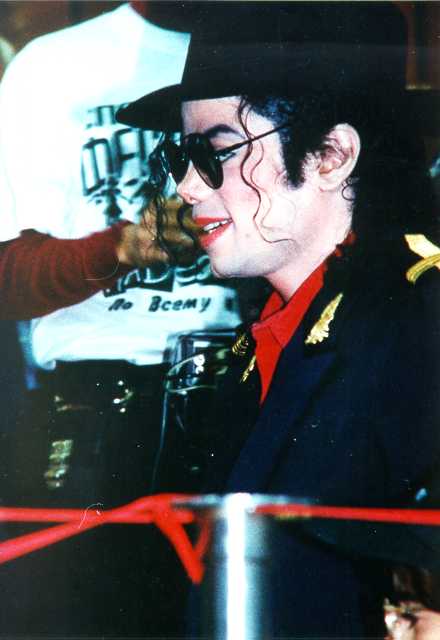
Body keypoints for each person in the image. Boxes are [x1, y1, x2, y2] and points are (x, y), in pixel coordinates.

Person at [117, 2, 440, 637]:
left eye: (215, 152)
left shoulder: (419, 324)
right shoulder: (260, 345)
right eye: (179, 158)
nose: (186, 187)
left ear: (330, 155)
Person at [0, 2, 242, 637]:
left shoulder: (272, 50)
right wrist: (125, 247)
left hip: (244, 398)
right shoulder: (51, 67)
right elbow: (7, 277)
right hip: (97, 414)